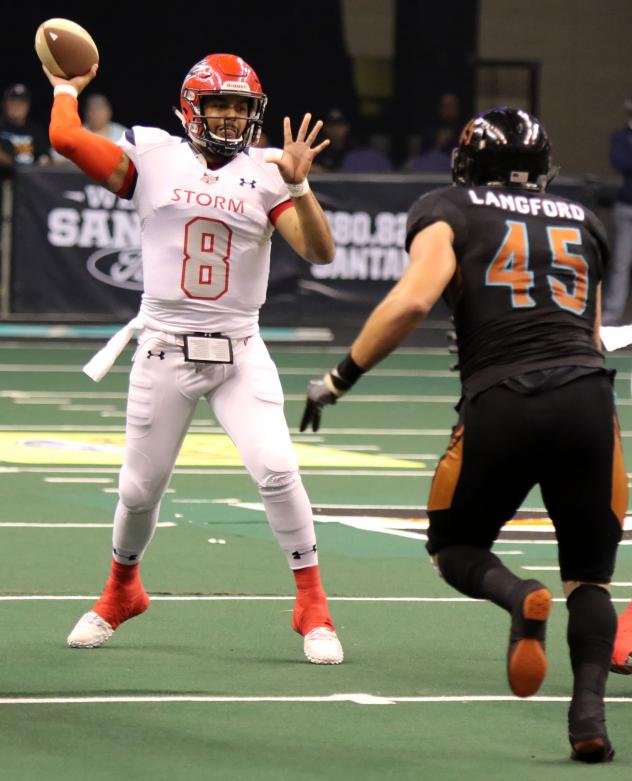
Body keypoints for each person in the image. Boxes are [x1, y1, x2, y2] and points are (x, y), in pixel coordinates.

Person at [301, 108, 624, 760]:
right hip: (589, 398)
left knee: (453, 542)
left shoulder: (447, 206)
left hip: (503, 398)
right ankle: (588, 716)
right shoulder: (583, 220)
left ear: (468, 164)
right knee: (589, 576)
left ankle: (517, 597)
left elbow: (414, 299)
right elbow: (588, 336)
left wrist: (338, 378)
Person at [43, 53, 343, 665]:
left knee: (278, 470)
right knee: (138, 490)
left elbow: (319, 251)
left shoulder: (267, 173)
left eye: (241, 106)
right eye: (219, 105)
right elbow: (65, 138)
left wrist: (298, 183)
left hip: (238, 349)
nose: (231, 117)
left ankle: (313, 606)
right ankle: (121, 589)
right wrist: (65, 88)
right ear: (191, 108)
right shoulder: (153, 157)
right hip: (163, 345)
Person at [602, 96, 632, 324]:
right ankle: (611, 315)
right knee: (621, 262)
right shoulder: (621, 138)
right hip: (626, 208)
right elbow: (621, 163)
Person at [0, 84, 50, 164]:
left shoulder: (36, 131)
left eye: (21, 103)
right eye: (13, 102)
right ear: (4, 104)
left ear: (28, 106)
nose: (17, 107)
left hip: (32, 175)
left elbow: (46, 157)